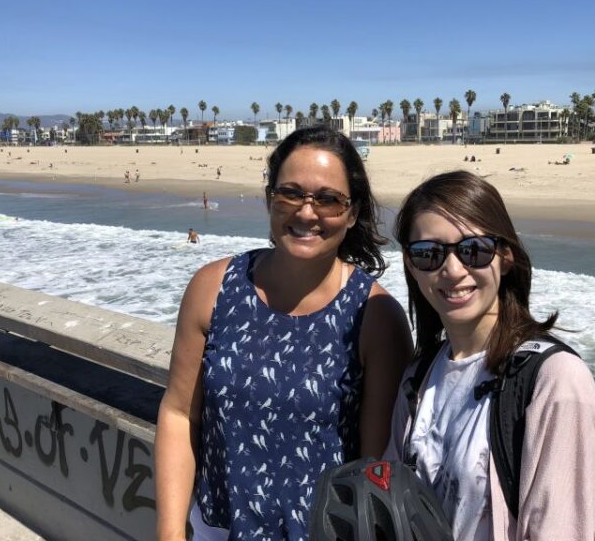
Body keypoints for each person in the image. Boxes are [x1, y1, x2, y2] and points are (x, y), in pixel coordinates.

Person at [155, 126, 412, 541]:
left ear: (351, 211)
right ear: (270, 197)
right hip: (218, 528)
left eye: (327, 199)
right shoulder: (212, 288)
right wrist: (169, 533)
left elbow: (374, 465)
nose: (306, 212)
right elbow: (180, 413)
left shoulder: (376, 317)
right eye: (290, 193)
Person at [384, 170, 595, 540]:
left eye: (473, 250)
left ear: (505, 257)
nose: (452, 270)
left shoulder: (554, 379)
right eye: (429, 254)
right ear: (411, 266)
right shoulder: (419, 374)